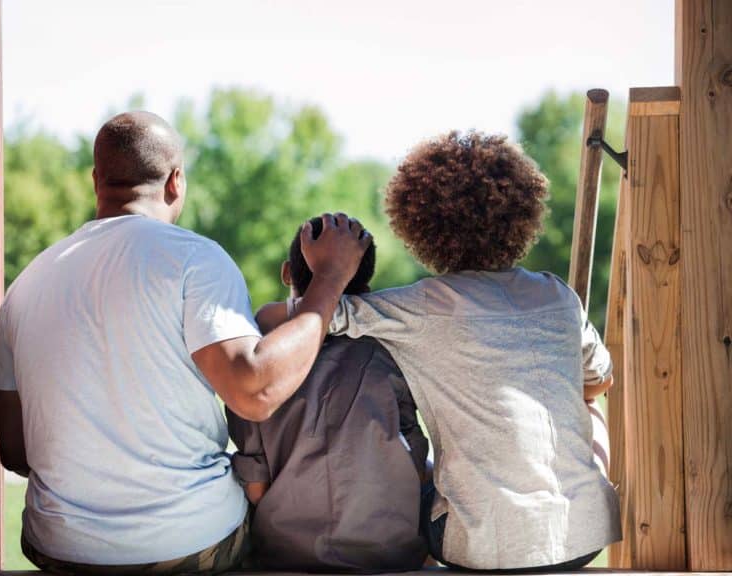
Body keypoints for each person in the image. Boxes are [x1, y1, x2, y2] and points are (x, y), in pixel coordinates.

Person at [0, 111, 371, 575]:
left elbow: (14, 450)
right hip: (185, 546)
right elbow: (255, 392)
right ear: (176, 182)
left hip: (59, 547)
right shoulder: (193, 258)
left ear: (96, 181)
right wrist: (329, 279)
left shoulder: (25, 286)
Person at [262, 131, 621, 571]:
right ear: (523, 217)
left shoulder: (424, 306)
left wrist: (279, 301)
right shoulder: (558, 295)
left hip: (486, 550)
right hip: (585, 536)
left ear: (419, 225)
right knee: (591, 406)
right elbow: (601, 380)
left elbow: (316, 315)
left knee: (410, 491)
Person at [227, 217, 429, 572]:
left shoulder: (258, 346)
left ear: (287, 272)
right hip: (389, 556)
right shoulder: (392, 344)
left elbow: (255, 488)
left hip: (285, 556)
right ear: (364, 281)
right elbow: (415, 455)